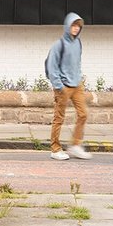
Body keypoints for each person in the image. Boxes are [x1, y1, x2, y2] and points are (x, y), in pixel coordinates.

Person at [45, 12, 91, 161]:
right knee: (59, 118)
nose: (76, 28)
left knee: (83, 114)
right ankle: (55, 149)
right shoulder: (59, 45)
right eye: (74, 25)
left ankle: (76, 145)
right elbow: (51, 66)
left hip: (77, 85)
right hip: (63, 86)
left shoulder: (78, 43)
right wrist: (59, 86)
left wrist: (79, 78)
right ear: (67, 26)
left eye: (78, 26)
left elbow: (77, 63)